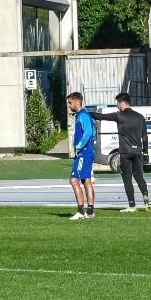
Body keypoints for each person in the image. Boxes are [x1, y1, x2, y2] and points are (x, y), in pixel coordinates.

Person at [97, 92, 151, 212]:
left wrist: (84, 112)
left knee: (127, 179)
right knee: (139, 177)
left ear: (121, 102)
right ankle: (146, 200)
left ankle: (132, 205)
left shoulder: (119, 115)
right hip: (138, 152)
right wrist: (145, 153)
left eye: (117, 103)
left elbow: (101, 117)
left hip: (126, 153)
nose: (117, 106)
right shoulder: (140, 117)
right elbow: (145, 137)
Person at [67, 92, 97, 220]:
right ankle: (90, 212)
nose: (69, 105)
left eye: (70, 102)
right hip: (88, 152)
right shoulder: (84, 114)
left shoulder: (82, 115)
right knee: (86, 180)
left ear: (77, 102)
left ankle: (80, 212)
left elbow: (89, 132)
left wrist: (79, 146)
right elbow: (93, 131)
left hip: (84, 153)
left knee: (74, 180)